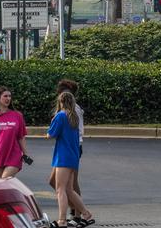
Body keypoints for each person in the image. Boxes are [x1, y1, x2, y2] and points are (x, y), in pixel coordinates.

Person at [47, 91, 94, 228]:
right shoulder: (73, 117)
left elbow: (51, 134)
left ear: (60, 101)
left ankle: (62, 220)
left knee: (60, 189)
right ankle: (85, 213)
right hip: (73, 155)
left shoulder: (60, 116)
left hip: (63, 156)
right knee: (69, 189)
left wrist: (48, 130)